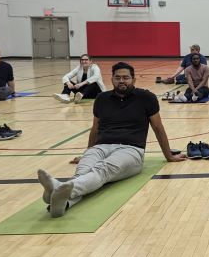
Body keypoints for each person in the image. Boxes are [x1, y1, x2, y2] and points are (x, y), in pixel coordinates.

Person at [37, 61, 186, 218]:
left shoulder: (146, 98)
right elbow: (95, 129)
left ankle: (56, 189)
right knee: (83, 173)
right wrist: (88, 152)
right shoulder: (102, 98)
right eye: (118, 78)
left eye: (126, 78)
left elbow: (158, 128)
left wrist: (169, 155)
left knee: (102, 170)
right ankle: (62, 204)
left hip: (131, 150)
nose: (122, 81)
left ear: (134, 80)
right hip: (100, 147)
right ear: (112, 79)